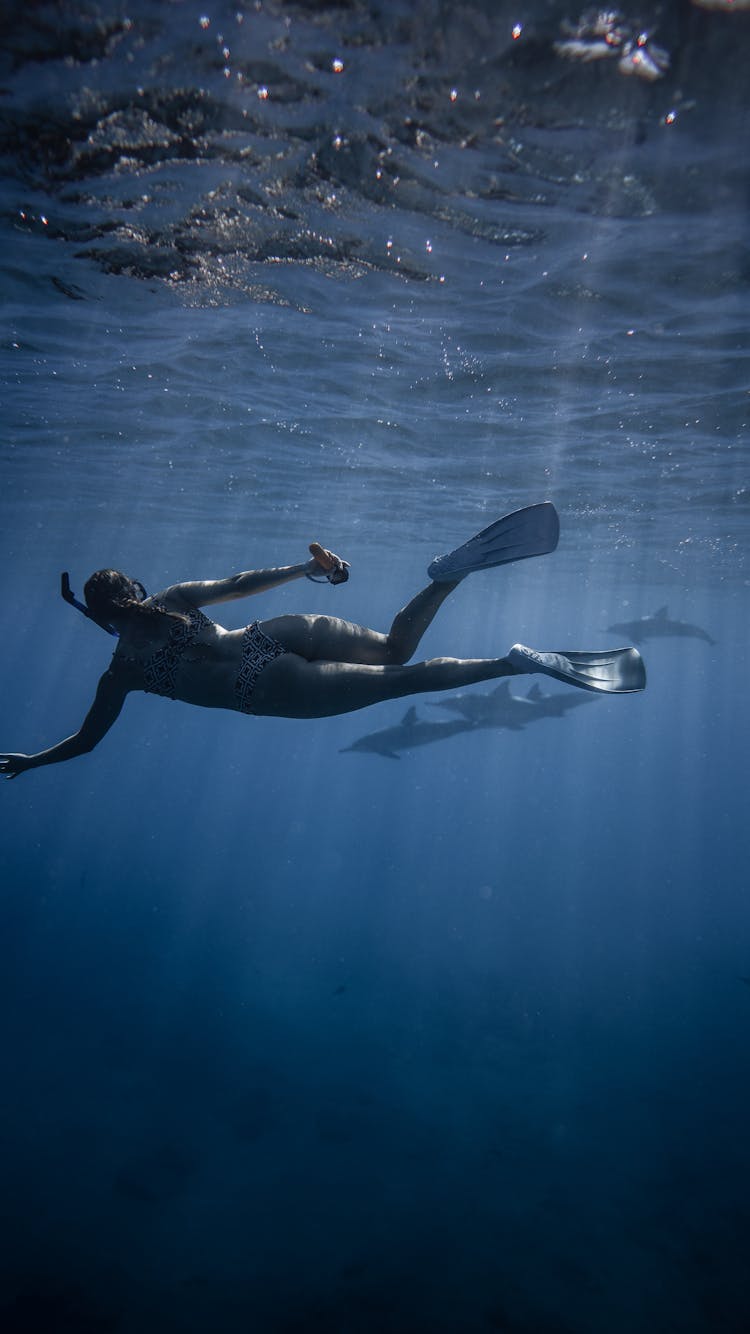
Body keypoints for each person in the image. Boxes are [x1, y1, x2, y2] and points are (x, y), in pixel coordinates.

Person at [0, 504, 645, 779]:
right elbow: (241, 583)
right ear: (134, 586)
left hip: (265, 687)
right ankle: (446, 580)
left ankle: (509, 661)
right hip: (274, 632)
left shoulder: (122, 672)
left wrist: (31, 761)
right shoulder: (170, 598)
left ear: (99, 614)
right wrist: (308, 570)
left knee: (407, 680)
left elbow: (87, 742)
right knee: (398, 648)